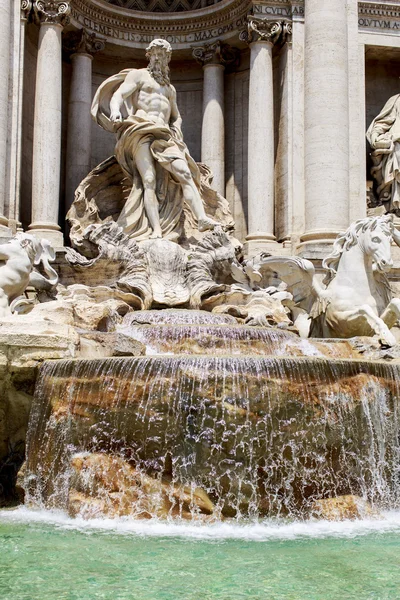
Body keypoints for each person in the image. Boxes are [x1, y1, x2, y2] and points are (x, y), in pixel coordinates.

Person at [91, 38, 220, 240]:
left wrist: (177, 132)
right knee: (148, 180)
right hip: (140, 129)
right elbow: (119, 94)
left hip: (164, 136)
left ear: (168, 59)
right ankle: (156, 230)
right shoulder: (138, 76)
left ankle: (201, 218)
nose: (159, 58)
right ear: (149, 56)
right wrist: (115, 111)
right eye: (156, 54)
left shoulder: (169, 89)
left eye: (163, 55)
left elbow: (175, 116)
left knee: (185, 173)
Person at [367, 93, 400, 212]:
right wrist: (375, 136)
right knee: (397, 150)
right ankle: (396, 204)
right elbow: (383, 122)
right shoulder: (396, 100)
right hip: (397, 141)